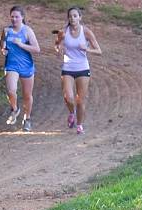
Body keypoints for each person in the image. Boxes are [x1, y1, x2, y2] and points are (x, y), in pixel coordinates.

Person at [55, 7, 102, 135]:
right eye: (70, 16)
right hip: (68, 67)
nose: (72, 18)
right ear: (68, 18)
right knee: (68, 98)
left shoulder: (86, 32)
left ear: (80, 18)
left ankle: (79, 125)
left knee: (80, 100)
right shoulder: (63, 32)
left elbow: (99, 51)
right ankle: (71, 113)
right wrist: (58, 48)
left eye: (75, 16)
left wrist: (86, 49)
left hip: (82, 68)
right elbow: (57, 44)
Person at [0, 5, 40, 132]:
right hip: (11, 65)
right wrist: (3, 49)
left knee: (27, 95)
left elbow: (37, 49)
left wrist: (21, 44)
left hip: (26, 66)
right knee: (11, 90)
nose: (14, 19)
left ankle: (27, 119)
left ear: (22, 17)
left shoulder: (27, 31)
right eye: (12, 17)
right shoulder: (6, 30)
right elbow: (2, 42)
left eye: (17, 17)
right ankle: (15, 109)